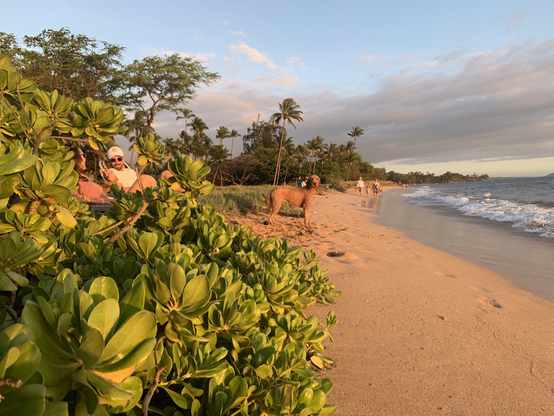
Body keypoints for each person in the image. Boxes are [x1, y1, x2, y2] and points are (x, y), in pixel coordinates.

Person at [73, 148, 156, 203]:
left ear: (123, 158)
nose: (85, 158)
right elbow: (76, 197)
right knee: (146, 178)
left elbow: (103, 190)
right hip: (113, 205)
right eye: (83, 155)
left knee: (164, 174)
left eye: (119, 159)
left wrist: (112, 182)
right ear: (76, 159)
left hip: (114, 200)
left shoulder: (83, 177)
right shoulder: (72, 177)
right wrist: (103, 200)